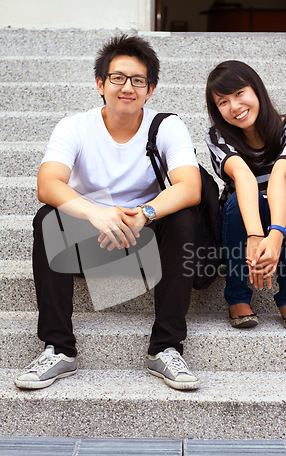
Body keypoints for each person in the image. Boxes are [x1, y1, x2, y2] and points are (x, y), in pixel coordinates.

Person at [15, 34, 202, 391]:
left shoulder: (167, 126)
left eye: (137, 80)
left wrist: (145, 213)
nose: (127, 87)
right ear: (100, 83)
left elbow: (189, 187)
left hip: (145, 245)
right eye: (117, 78)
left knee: (182, 218)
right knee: (47, 218)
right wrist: (96, 213)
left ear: (150, 89)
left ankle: (166, 347)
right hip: (92, 242)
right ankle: (58, 348)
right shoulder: (75, 126)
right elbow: (48, 183)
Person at [205, 60, 286, 330]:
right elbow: (244, 177)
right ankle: (238, 295)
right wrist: (254, 236)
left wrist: (275, 234)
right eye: (223, 102)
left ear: (257, 90)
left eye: (240, 94)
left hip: (285, 217)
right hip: (240, 218)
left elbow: (279, 176)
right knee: (235, 204)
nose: (235, 107)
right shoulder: (218, 136)